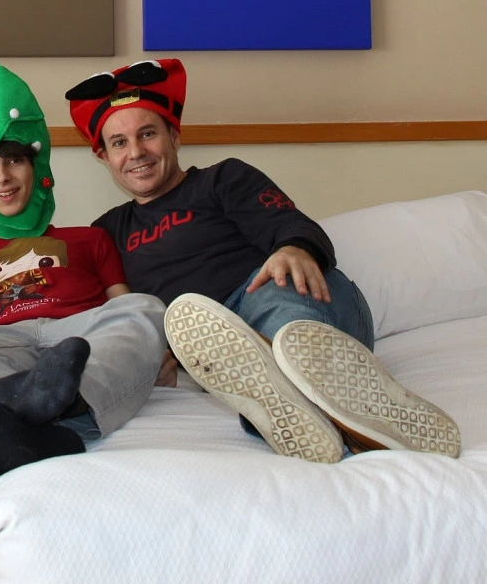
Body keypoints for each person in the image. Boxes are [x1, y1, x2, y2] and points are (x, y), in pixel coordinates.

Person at [66, 57, 460, 461]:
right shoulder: (106, 231)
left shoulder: (223, 179)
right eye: (119, 143)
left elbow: (296, 228)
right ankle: (346, 418)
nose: (136, 152)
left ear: (174, 135)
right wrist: (150, 354)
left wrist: (291, 248)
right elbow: (113, 314)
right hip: (207, 343)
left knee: (276, 287)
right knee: (196, 327)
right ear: (104, 157)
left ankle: (286, 383)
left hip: (298, 307)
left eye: (147, 134)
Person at [0, 42, 167, 476]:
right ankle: (29, 422)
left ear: (36, 167)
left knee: (146, 311)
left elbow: (122, 305)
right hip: (1, 345)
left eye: (14, 160)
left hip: (79, 342)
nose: (1, 177)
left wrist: (147, 344)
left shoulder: (90, 238)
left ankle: (54, 407)